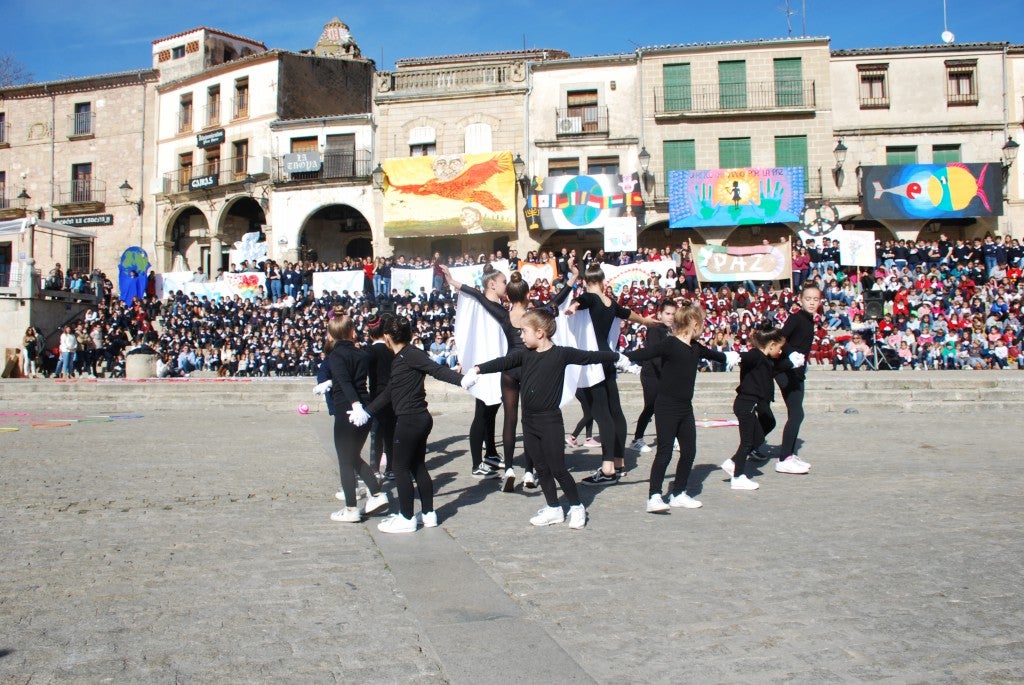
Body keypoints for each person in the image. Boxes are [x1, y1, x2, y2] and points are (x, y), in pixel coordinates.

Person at [465, 308, 630, 528]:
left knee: (558, 469)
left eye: (524, 331)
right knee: (541, 468)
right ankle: (553, 508)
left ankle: (577, 507)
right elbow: (502, 362)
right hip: (529, 422)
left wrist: (617, 357)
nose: (520, 336)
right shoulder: (524, 355)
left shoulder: (561, 354)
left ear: (540, 333)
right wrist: (476, 370)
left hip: (550, 422)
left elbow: (591, 356)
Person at [359, 316, 467, 533]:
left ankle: (406, 517)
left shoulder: (409, 355)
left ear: (387, 337)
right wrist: (367, 411)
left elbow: (436, 370)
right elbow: (390, 391)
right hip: (418, 418)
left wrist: (462, 380)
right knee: (417, 466)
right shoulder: (403, 357)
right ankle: (428, 514)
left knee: (400, 468)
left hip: (410, 420)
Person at [625, 305, 738, 512]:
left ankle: (678, 493)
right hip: (666, 406)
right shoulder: (670, 344)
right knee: (665, 452)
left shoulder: (695, 347)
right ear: (694, 323)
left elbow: (716, 355)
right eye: (701, 323)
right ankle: (654, 496)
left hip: (685, 408)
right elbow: (646, 352)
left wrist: (732, 356)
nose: (703, 327)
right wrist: (620, 358)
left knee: (689, 451)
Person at [567, 263, 659, 485]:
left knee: (601, 413)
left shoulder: (590, 298)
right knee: (615, 411)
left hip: (594, 361)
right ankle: (619, 463)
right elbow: (628, 314)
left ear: (587, 282)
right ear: (602, 281)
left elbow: (583, 301)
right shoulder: (610, 303)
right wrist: (645, 321)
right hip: (608, 358)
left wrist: (572, 306)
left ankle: (607, 468)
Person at [323, 315, 389, 523]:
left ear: (331, 335)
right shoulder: (361, 354)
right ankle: (376, 494)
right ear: (352, 332)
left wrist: (355, 405)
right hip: (365, 409)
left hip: (349, 410)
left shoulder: (335, 355)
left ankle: (351, 508)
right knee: (352, 457)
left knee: (345, 460)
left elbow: (344, 381)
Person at [720, 324, 790, 490]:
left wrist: (792, 364)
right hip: (746, 404)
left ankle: (732, 463)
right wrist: (736, 357)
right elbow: (747, 357)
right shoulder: (756, 355)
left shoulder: (766, 359)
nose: (780, 351)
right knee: (747, 442)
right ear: (771, 345)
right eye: (779, 347)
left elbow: (775, 367)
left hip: (752, 404)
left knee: (758, 438)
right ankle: (738, 477)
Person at [759, 282, 818, 475]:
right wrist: (792, 353)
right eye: (808, 299)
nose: (811, 302)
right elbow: (781, 338)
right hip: (784, 370)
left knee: (796, 414)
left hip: (797, 372)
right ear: (800, 300)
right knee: (797, 414)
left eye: (815, 299)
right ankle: (784, 459)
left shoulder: (809, 320)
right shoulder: (796, 318)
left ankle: (789, 454)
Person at [630, 299, 677, 454]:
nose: (670, 317)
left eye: (673, 314)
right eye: (667, 313)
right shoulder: (655, 329)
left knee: (668, 407)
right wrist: (667, 373)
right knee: (650, 407)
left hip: (666, 374)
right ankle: (637, 439)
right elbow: (656, 355)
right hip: (651, 374)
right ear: (660, 314)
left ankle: (670, 438)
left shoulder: (672, 330)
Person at [366, 316, 396, 480]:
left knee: (376, 433)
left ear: (370, 334)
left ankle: (374, 468)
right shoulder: (391, 350)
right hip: (392, 396)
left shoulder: (370, 351)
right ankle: (391, 468)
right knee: (390, 433)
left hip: (377, 397)